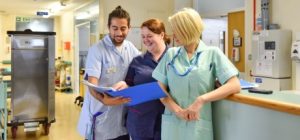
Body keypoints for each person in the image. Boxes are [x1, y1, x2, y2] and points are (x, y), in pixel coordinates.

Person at [152, 8, 241, 140]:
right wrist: (177, 111)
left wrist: (201, 100)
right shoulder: (171, 55)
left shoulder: (212, 53)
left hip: (198, 124)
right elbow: (159, 89)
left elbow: (234, 85)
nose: (173, 35)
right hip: (173, 123)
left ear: (188, 29)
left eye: (177, 31)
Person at [77, 6, 140, 140]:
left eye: (123, 28)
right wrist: (104, 100)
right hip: (102, 117)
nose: (119, 33)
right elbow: (91, 84)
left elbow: (142, 69)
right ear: (108, 27)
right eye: (115, 28)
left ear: (129, 27)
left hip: (123, 119)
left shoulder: (131, 48)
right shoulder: (97, 50)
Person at [124, 19, 170, 140]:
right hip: (140, 122)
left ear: (162, 35)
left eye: (149, 36)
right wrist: (122, 86)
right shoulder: (137, 61)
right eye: (143, 36)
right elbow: (128, 86)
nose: (145, 40)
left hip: (167, 121)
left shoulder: (175, 58)